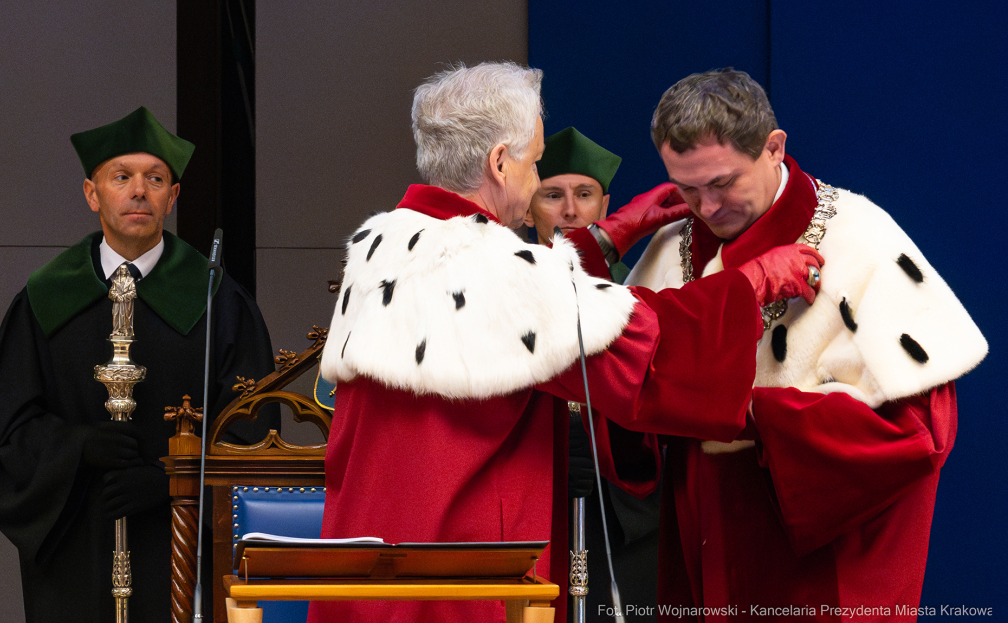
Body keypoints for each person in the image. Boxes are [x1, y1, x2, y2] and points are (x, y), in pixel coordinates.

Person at [308, 62, 821, 623]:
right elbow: (643, 348)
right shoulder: (495, 268)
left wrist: (608, 233)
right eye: (533, 162)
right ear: (499, 163)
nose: (534, 183)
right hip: (458, 585)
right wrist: (754, 282)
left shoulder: (383, 245)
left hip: (367, 575)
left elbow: (539, 301)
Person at [615, 69, 987, 620]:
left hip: (811, 544)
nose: (707, 208)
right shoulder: (672, 244)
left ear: (773, 148)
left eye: (723, 183)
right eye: (688, 189)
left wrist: (752, 416)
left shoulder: (859, 234)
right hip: (702, 530)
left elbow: (922, 429)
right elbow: (616, 381)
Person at [0, 107, 280, 623]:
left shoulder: (218, 304)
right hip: (78, 547)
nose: (139, 191)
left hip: (179, 544)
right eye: (122, 177)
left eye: (156, 179)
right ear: (92, 194)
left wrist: (174, 482)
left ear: (173, 196)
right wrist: (77, 448)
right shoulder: (44, 301)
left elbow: (253, 434)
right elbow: (4, 438)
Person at [526, 126, 668, 618]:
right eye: (552, 195)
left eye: (584, 195)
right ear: (526, 207)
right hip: (535, 496)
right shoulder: (506, 288)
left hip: (625, 510)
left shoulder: (642, 287)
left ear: (605, 207)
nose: (570, 211)